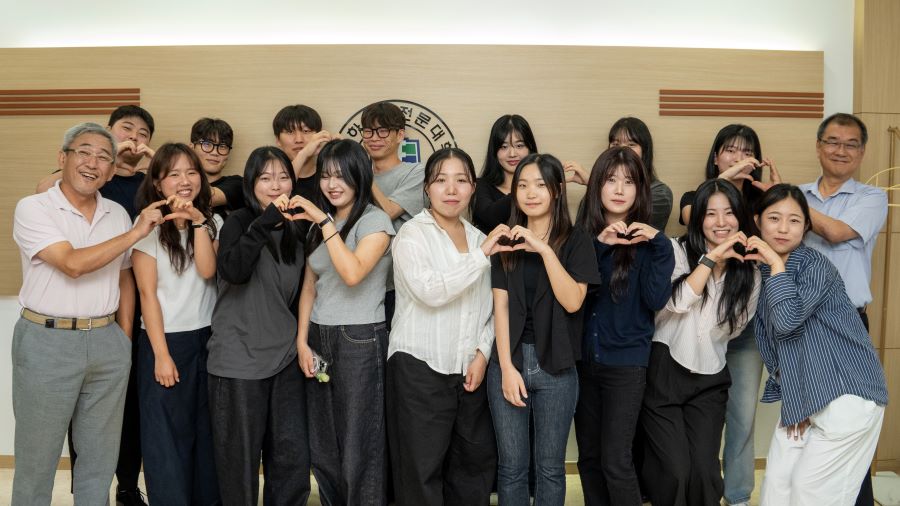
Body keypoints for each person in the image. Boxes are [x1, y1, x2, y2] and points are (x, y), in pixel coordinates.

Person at [11, 122, 164, 504]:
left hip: (107, 341)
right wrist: (136, 232)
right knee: (37, 459)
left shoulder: (116, 213)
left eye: (103, 157)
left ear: (112, 170)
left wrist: (123, 337)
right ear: (63, 157)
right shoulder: (34, 207)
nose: (92, 162)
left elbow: (126, 279)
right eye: (84, 151)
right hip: (47, 341)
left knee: (99, 459)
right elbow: (72, 264)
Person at [747, 184, 887, 506]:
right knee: (776, 489)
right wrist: (799, 401)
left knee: (810, 494)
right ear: (757, 221)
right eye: (774, 218)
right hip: (811, 395)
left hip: (848, 396)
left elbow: (787, 322)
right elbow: (779, 347)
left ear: (806, 227)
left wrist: (777, 266)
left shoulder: (815, 266)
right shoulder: (761, 269)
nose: (783, 228)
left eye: (795, 221)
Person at [386, 148, 504, 505]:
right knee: (420, 474)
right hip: (419, 366)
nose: (451, 189)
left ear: (472, 189)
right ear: (426, 189)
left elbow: (492, 309)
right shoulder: (411, 234)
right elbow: (430, 291)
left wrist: (483, 353)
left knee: (472, 472)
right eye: (441, 180)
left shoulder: (479, 238)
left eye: (461, 180)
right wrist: (481, 257)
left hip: (468, 372)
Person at [487, 153, 601, 505]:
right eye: (522, 185)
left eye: (539, 184)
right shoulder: (504, 240)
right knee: (511, 467)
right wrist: (506, 367)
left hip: (558, 365)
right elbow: (500, 307)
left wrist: (544, 251)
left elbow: (573, 302)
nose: (530, 193)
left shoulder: (577, 240)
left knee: (551, 467)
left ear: (557, 189)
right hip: (510, 361)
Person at [641, 179, 760, 506]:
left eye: (729, 213)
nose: (721, 222)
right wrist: (710, 261)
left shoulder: (749, 272)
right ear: (698, 219)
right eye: (711, 214)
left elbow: (734, 328)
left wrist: (729, 263)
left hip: (710, 377)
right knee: (675, 471)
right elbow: (672, 304)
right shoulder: (676, 251)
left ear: (741, 218)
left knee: (706, 473)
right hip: (664, 372)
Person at [677, 124, 778, 506]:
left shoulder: (761, 204)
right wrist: (722, 183)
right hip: (700, 325)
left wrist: (780, 199)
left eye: (746, 151)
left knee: (741, 419)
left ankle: (736, 496)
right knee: (700, 418)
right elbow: (693, 216)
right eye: (730, 150)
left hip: (748, 327)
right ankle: (699, 490)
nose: (738, 158)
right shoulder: (693, 197)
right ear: (716, 156)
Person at [207, 146, 310, 506]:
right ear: (251, 184)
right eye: (265, 178)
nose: (276, 184)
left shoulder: (299, 229)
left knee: (290, 461)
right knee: (240, 464)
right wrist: (264, 221)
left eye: (283, 177)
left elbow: (301, 295)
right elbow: (233, 270)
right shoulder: (237, 221)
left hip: (284, 359)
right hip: (238, 361)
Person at [295, 139, 395, 506]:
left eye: (341, 175)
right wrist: (302, 341)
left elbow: (352, 273)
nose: (331, 184)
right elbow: (310, 285)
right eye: (325, 176)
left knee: (360, 439)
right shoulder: (322, 223)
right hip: (319, 336)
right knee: (324, 439)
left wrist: (323, 222)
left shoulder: (375, 221)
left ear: (360, 176)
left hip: (360, 339)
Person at [572, 146, 675, 506]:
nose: (619, 189)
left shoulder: (654, 246)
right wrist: (599, 247)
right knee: (589, 459)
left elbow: (654, 301)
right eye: (611, 180)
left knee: (616, 460)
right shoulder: (581, 239)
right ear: (596, 186)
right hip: (584, 364)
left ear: (640, 190)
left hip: (627, 365)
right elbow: (578, 299)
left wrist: (660, 244)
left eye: (628, 182)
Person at [132, 143, 222, 505]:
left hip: (209, 340)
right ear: (157, 183)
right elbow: (147, 295)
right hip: (165, 340)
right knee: (166, 438)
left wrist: (198, 222)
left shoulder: (212, 222)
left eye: (191, 172)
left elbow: (207, 271)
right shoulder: (146, 228)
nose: (184, 181)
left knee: (206, 433)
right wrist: (161, 355)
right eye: (173, 174)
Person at [565, 117, 673, 233]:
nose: (622, 149)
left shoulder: (660, 193)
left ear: (645, 151)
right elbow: (581, 237)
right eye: (616, 144)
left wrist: (593, 183)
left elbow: (633, 233)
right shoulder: (593, 194)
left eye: (631, 144)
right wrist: (595, 184)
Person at [472, 114, 538, 235]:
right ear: (494, 151)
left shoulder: (542, 189)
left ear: (530, 148)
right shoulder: (481, 186)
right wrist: (522, 190)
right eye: (504, 146)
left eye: (519, 146)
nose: (512, 154)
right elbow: (490, 218)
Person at [272, 104, 335, 199]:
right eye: (290, 132)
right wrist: (303, 154)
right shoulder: (268, 179)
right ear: (278, 140)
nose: (299, 140)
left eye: (306, 131)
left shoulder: (330, 177)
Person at [190, 117, 243, 220]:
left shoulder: (237, 184)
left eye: (222, 146)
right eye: (207, 144)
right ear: (191, 148)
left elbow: (205, 198)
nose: (215, 152)